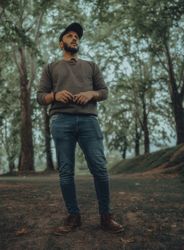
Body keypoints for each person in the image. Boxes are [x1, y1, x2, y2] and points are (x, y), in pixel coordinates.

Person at [37, 22, 124, 234]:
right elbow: (40, 97)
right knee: (66, 172)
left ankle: (106, 217)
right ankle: (73, 217)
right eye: (69, 36)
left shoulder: (91, 66)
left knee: (100, 169)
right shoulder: (50, 68)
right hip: (61, 121)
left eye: (77, 36)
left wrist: (91, 94)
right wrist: (55, 96)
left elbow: (104, 91)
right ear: (61, 44)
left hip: (88, 121)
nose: (74, 38)